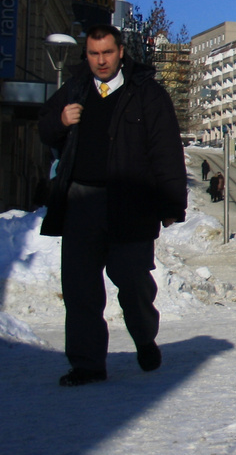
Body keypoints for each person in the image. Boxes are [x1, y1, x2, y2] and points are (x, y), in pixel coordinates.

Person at [38, 25, 186, 387]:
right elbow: (43, 128)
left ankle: (144, 336)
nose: (100, 61)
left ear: (121, 52)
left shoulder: (147, 94)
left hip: (131, 203)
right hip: (81, 202)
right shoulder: (73, 89)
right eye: (93, 54)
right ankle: (87, 364)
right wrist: (60, 121)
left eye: (106, 53)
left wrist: (171, 203)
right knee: (80, 288)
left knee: (133, 281)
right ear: (85, 55)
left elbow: (166, 151)